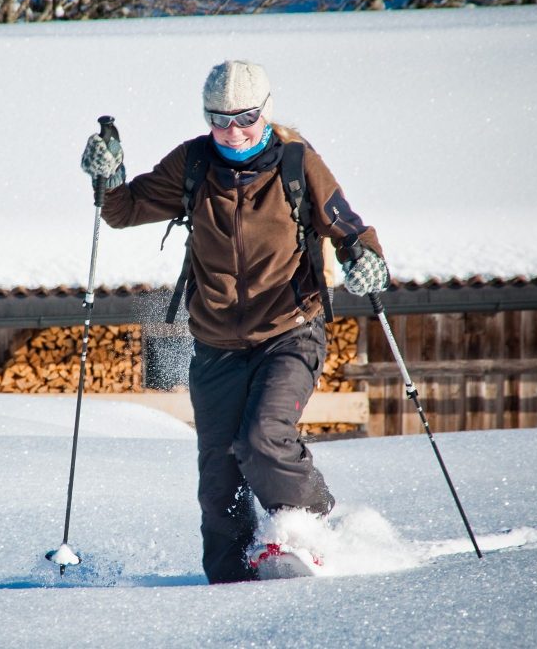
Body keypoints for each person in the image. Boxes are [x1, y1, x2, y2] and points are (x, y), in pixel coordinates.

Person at [80, 60, 389, 584]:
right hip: (217, 344)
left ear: (264, 111)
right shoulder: (194, 164)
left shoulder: (296, 163)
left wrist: (366, 258)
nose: (233, 130)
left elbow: (349, 228)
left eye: (244, 117)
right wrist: (107, 176)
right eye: (219, 118)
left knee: (264, 437)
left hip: (289, 331)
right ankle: (228, 587)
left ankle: (311, 532)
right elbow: (124, 210)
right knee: (219, 481)